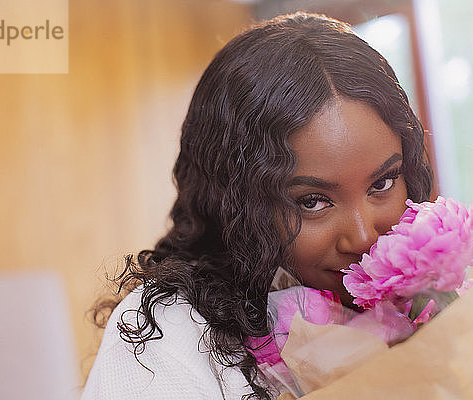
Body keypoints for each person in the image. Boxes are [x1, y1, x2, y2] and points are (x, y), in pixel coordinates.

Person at [82, 11, 432, 400]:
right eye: (312, 202)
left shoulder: (431, 300)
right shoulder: (168, 339)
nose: (364, 235)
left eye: (382, 182)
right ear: (235, 201)